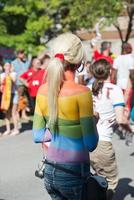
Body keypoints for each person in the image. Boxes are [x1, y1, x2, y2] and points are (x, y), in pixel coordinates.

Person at [33, 33, 98, 200]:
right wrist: (93, 120)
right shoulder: (82, 93)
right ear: (79, 62)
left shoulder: (42, 90)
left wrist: (57, 130)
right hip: (73, 172)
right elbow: (91, 144)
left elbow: (37, 135)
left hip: (49, 172)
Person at [89, 59, 127, 200]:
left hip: (86, 142)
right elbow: (121, 119)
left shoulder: (87, 89)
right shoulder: (115, 89)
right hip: (103, 141)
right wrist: (131, 129)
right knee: (110, 182)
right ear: (109, 71)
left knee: (97, 178)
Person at [0, 62, 19, 135]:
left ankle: (16, 129)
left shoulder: (13, 74)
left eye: (9, 65)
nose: (7, 67)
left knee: (13, 112)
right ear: (4, 67)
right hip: (6, 96)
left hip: (14, 94)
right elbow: (1, 83)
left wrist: (8, 75)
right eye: (6, 65)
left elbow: (13, 81)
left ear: (11, 67)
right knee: (6, 112)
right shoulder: (1, 75)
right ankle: (8, 129)